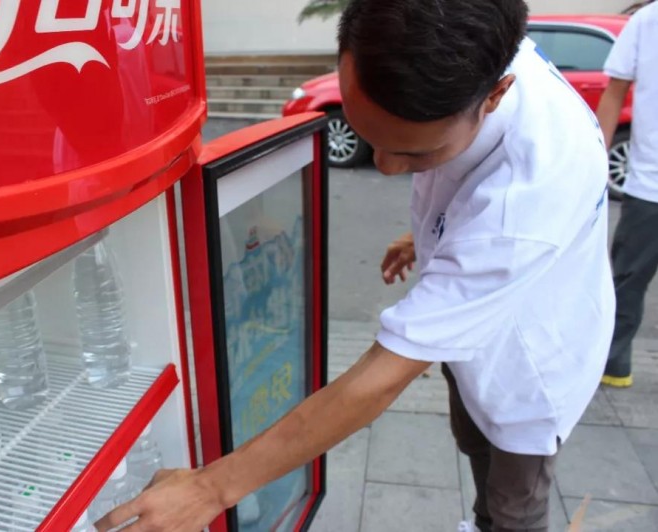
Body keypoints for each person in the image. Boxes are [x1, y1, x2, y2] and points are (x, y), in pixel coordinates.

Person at [96, 1, 614, 531]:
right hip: (485, 327)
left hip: (528, 365)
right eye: (369, 137)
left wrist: (210, 488)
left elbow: (382, 378)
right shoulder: (474, 34)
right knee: (473, 442)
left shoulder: (521, 207)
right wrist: (439, 235)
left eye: (416, 154)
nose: (385, 167)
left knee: (511, 505)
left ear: (495, 95)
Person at [596, 1, 658, 389]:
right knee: (627, 281)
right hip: (649, 186)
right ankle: (612, 362)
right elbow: (614, 91)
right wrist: (596, 157)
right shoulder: (647, 21)